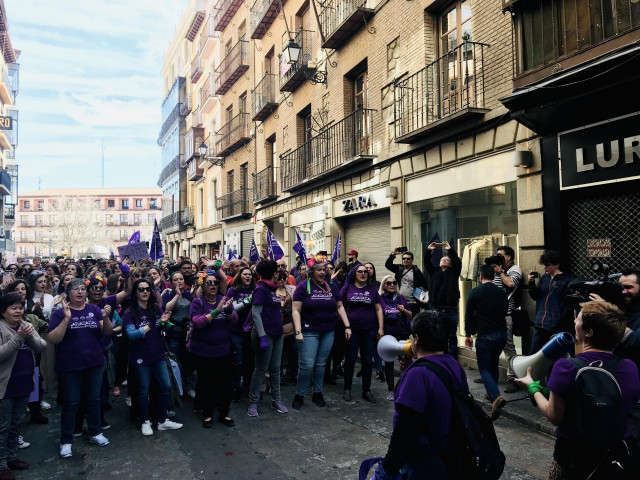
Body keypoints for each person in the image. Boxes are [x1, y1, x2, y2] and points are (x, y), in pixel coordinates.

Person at [516, 301, 640, 479]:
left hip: (574, 453)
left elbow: (554, 416)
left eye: (578, 319)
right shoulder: (629, 367)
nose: (575, 322)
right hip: (615, 452)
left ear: (588, 332)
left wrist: (532, 386)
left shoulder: (566, 367)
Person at [379, 311, 469, 479]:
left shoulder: (418, 375)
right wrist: (409, 368)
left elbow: (404, 429)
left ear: (417, 339)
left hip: (425, 464)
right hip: (450, 456)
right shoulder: (455, 366)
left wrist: (388, 468)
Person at [47, 279, 113, 458]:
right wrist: (67, 319)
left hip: (94, 363)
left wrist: (106, 318)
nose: (80, 292)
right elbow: (53, 338)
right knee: (71, 403)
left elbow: (107, 331)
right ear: (68, 292)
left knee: (93, 400)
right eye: (75, 289)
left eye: (83, 289)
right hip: (70, 367)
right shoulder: (60, 313)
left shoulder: (93, 310)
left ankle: (95, 432)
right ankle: (66, 440)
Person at [123, 279, 183, 436]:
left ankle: (162, 420)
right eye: (141, 289)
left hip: (157, 354)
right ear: (135, 292)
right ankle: (145, 421)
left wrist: (164, 323)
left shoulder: (155, 308)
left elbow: (162, 327)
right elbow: (131, 335)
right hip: (140, 357)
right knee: (143, 390)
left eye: (147, 289)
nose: (144, 292)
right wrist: (152, 325)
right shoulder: (130, 312)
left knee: (165, 386)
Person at [291, 257, 351, 409]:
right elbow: (296, 310)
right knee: (307, 365)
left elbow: (339, 306)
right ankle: (300, 394)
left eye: (324, 269)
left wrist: (347, 326)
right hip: (309, 331)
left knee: (320, 365)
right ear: (312, 272)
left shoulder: (331, 285)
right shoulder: (303, 286)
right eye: (319, 269)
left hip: (328, 331)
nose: (323, 272)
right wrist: (298, 331)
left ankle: (317, 392)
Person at [0, 293, 47, 480]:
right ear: (3, 311)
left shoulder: (26, 326)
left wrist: (29, 336)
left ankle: (11, 457)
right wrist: (19, 338)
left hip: (25, 382)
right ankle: (1, 464)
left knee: (16, 423)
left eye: (20, 307)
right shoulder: (2, 328)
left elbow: (41, 346)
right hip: (5, 386)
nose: (18, 310)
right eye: (13, 308)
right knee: (2, 427)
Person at [189, 271, 236, 428]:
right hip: (203, 352)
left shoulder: (223, 300)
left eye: (215, 283)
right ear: (203, 286)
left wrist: (228, 310)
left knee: (226, 383)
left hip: (222, 350)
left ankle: (224, 413)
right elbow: (198, 323)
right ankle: (207, 414)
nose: (213, 285)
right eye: (209, 283)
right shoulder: (198, 303)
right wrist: (216, 311)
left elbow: (234, 320)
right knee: (205, 383)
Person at [464, 264, 509, 420]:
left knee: (484, 368)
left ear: (480, 277)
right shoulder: (501, 293)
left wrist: (468, 334)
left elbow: (469, 315)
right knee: (493, 363)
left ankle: (496, 396)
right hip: (501, 334)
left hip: (485, 335)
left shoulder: (475, 292)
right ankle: (491, 393)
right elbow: (505, 311)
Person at [247, 259, 288, 417]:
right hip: (265, 335)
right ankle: (253, 403)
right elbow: (256, 314)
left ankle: (276, 400)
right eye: (277, 269)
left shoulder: (272, 289)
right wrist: (262, 336)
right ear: (274, 273)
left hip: (277, 333)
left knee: (275, 369)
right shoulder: (261, 289)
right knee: (261, 369)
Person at [341, 263, 384, 403]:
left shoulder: (372, 290)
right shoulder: (348, 287)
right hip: (352, 329)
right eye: (360, 271)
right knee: (351, 360)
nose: (363, 273)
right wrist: (345, 324)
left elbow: (378, 309)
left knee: (367, 361)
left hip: (369, 330)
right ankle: (347, 388)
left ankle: (367, 390)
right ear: (355, 274)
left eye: (365, 271)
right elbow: (339, 305)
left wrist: (380, 328)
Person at [528, 250, 573, 355]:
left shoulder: (566, 280)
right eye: (544, 264)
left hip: (555, 326)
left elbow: (568, 305)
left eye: (547, 265)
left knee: (554, 356)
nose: (545, 267)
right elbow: (535, 296)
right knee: (534, 354)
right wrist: (531, 283)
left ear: (556, 265)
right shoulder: (544, 278)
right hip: (540, 324)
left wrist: (561, 323)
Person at [491, 245, 523, 393]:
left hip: (506, 314)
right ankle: (491, 374)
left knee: (509, 347)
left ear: (508, 256)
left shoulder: (514, 270)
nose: (498, 257)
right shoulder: (496, 269)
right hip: (494, 314)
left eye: (500, 255)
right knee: (493, 346)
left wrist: (500, 272)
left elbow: (510, 283)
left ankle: (513, 378)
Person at [378, 274, 412, 401]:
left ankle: (405, 386)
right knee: (389, 363)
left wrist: (404, 310)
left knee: (406, 360)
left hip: (402, 332)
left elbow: (410, 315)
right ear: (383, 285)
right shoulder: (380, 298)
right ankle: (391, 389)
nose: (392, 285)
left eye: (394, 283)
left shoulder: (401, 298)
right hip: (388, 334)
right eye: (389, 283)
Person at [425, 241, 462, 358]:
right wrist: (428, 250)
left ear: (449, 264)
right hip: (437, 309)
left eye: (446, 260)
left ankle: (452, 358)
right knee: (439, 334)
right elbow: (427, 263)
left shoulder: (453, 272)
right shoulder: (435, 271)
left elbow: (457, 263)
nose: (444, 261)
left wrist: (450, 250)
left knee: (452, 335)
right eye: (442, 260)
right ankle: (441, 356)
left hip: (451, 310)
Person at [226, 266, 256, 401]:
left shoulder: (255, 290)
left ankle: (249, 386)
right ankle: (235, 387)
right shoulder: (233, 290)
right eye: (245, 274)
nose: (248, 276)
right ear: (240, 276)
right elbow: (232, 310)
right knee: (237, 360)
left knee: (250, 360)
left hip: (250, 331)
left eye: (250, 274)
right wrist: (246, 301)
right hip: (236, 330)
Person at [385, 249, 428, 315]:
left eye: (408, 259)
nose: (405, 260)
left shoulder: (416, 271)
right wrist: (393, 255)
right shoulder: (399, 268)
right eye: (404, 258)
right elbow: (388, 265)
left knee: (412, 323)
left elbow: (424, 286)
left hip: (412, 303)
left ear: (412, 260)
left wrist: (418, 302)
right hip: (399, 302)